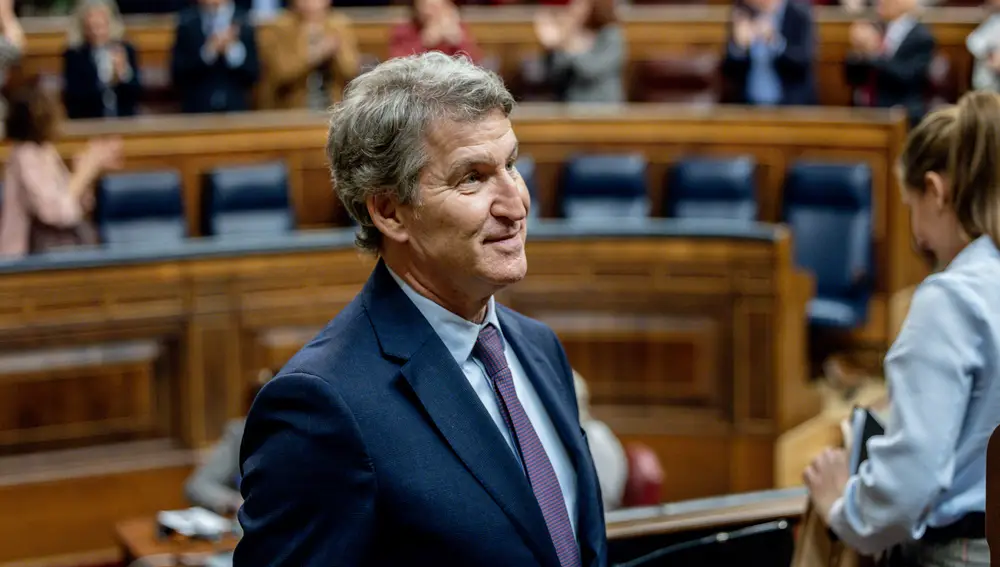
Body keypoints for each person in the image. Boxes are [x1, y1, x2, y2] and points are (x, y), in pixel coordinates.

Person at [236, 52, 606, 567]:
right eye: (472, 177)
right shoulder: (321, 406)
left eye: (511, 165)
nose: (516, 204)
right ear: (390, 212)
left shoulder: (539, 348)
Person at [804, 90, 1000, 567]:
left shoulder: (952, 299)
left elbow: (909, 484)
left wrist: (843, 508)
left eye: (912, 207)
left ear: (936, 191)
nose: (917, 235)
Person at [0, 84, 122, 258]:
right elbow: (57, 212)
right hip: (26, 259)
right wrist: (85, 171)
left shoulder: (46, 151)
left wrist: (85, 170)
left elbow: (73, 206)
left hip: (59, 252)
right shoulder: (25, 156)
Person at [843, 0, 934, 127]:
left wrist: (873, 53)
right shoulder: (877, 28)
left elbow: (906, 76)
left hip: (903, 113)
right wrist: (858, 50)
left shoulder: (921, 36)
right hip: (868, 109)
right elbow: (852, 78)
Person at [256, 0, 359, 110]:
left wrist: (337, 53)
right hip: (291, 107)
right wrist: (314, 55)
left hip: (333, 105)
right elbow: (280, 74)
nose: (311, 4)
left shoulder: (339, 25)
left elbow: (351, 71)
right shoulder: (280, 27)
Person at [170, 0, 260, 114]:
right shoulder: (187, 23)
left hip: (235, 109)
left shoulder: (244, 21)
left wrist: (232, 50)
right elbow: (178, 74)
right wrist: (208, 51)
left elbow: (253, 73)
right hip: (197, 110)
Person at [721, 0, 817, 106]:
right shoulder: (742, 13)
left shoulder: (799, 14)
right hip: (747, 106)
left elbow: (803, 63)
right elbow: (728, 72)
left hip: (792, 107)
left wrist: (775, 43)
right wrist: (739, 47)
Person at [62, 0, 142, 119]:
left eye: (100, 26)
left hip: (123, 119)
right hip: (89, 119)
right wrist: (104, 81)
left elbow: (136, 92)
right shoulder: (75, 55)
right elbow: (74, 95)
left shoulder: (126, 50)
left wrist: (123, 74)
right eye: (91, 27)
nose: (96, 32)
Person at [534, 0, 625, 103]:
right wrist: (553, 45)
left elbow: (590, 70)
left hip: (605, 104)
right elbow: (556, 72)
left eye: (580, 4)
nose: (574, 9)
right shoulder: (570, 35)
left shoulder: (611, 35)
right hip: (571, 104)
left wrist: (567, 45)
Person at [388, 0, 481, 62]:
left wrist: (457, 41)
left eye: (434, 7)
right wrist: (425, 43)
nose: (428, 12)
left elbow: (475, 63)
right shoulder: (403, 30)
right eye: (424, 6)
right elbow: (398, 64)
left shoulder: (457, 28)